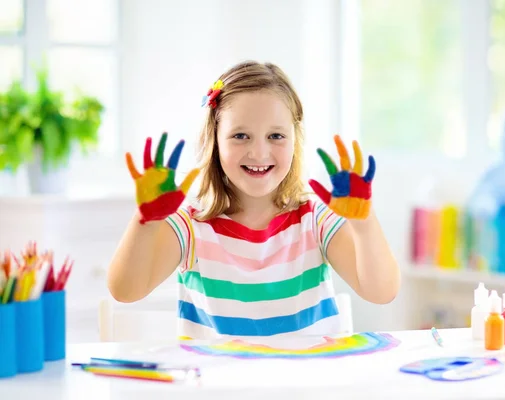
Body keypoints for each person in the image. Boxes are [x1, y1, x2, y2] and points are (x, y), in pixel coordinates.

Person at [107, 60, 400, 339]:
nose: (259, 153)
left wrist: (364, 225)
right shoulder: (192, 225)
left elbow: (381, 291)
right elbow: (125, 291)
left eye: (275, 136)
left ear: (295, 140)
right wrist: (145, 222)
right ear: (215, 140)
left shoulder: (315, 219)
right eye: (241, 136)